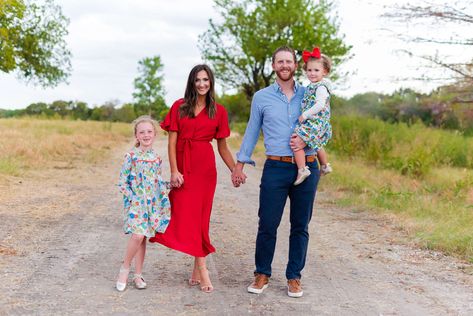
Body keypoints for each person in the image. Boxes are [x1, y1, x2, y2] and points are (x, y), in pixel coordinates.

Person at [232, 46, 320, 298]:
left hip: (307, 166)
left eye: (288, 61)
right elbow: (251, 131)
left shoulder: (310, 94)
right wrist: (240, 164)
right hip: (276, 167)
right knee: (268, 223)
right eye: (280, 61)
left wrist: (308, 142)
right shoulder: (261, 97)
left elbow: (323, 125)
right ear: (273, 66)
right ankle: (262, 273)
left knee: (300, 225)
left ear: (295, 65)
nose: (284, 65)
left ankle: (294, 276)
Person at [149, 64, 237, 293]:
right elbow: (171, 142)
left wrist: (235, 170)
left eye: (205, 80)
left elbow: (223, 148)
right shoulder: (180, 106)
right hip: (183, 167)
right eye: (197, 80)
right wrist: (174, 171)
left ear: (211, 82)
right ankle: (201, 267)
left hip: (205, 169)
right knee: (182, 214)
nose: (201, 84)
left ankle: (200, 269)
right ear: (191, 82)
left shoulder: (218, 111)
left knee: (200, 218)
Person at [116, 115, 171, 292]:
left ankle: (138, 275)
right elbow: (122, 182)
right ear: (136, 136)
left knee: (143, 238)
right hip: (136, 205)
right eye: (142, 132)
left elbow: (157, 182)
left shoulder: (156, 158)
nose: (146, 135)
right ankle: (124, 268)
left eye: (149, 131)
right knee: (137, 236)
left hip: (151, 205)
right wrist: (133, 199)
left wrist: (171, 184)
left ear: (155, 134)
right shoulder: (131, 156)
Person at [293, 47, 333, 185]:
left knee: (295, 142)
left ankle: (302, 169)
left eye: (316, 70)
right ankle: (325, 165)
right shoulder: (313, 85)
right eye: (309, 70)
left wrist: (305, 114)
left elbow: (320, 105)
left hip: (315, 121)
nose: (312, 73)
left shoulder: (321, 87)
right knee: (316, 144)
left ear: (325, 71)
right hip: (317, 122)